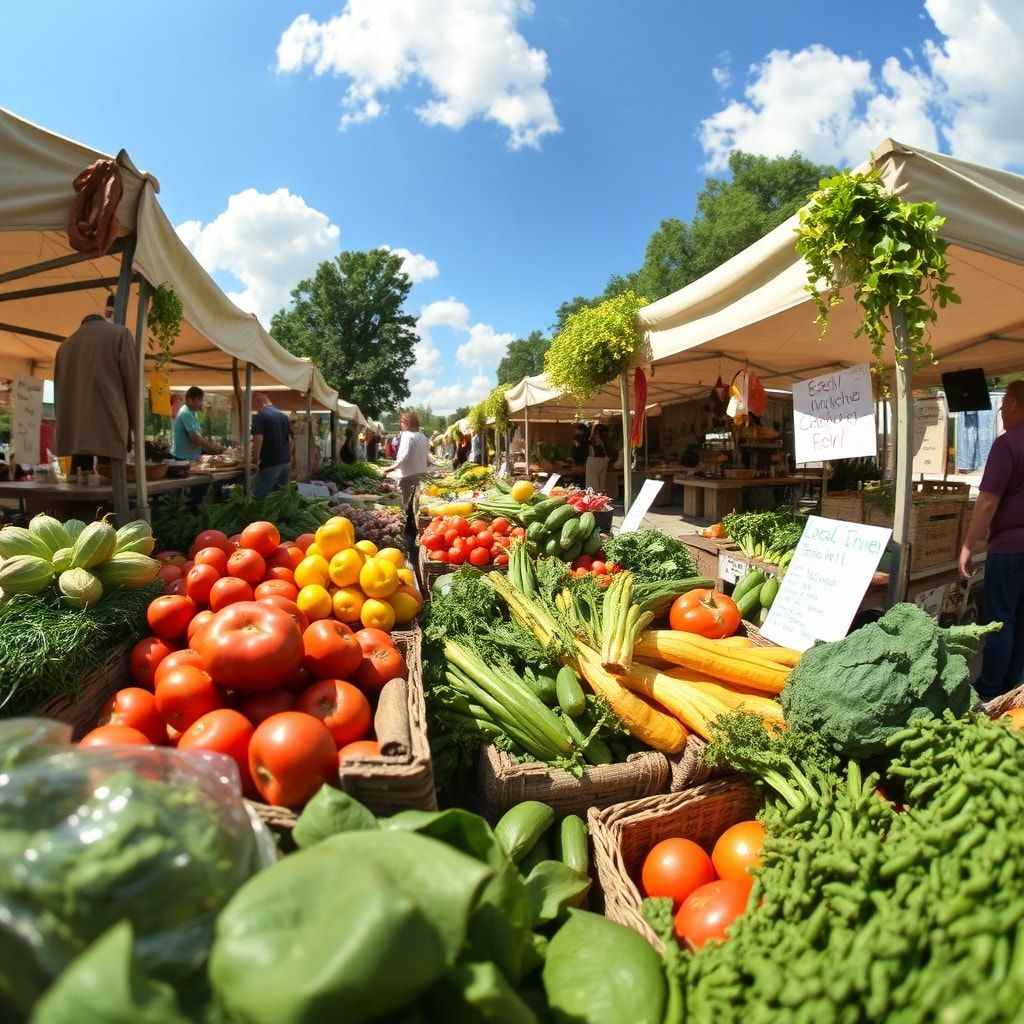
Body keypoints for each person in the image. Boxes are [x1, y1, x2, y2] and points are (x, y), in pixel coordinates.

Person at [960, 380, 1024, 701]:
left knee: (1000, 620)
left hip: (1011, 550)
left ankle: (989, 692)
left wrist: (969, 544)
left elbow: (987, 500)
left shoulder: (1007, 443)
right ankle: (1015, 687)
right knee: (1021, 619)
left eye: (1002, 406)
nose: (1000, 414)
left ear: (1013, 404)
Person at [55, 294, 139, 477]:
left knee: (79, 487)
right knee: (113, 486)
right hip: (110, 426)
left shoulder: (64, 347)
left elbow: (59, 395)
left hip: (73, 430)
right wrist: (136, 430)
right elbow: (133, 387)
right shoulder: (120, 335)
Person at [172, 387, 224, 509]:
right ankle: (188, 507)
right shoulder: (185, 413)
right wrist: (211, 447)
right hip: (183, 457)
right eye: (199, 400)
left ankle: (189, 506)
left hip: (190, 456)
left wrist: (211, 446)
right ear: (190, 399)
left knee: (200, 483)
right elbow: (195, 438)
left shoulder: (192, 413)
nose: (201, 403)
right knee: (200, 482)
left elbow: (198, 436)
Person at [383, 410, 431, 533]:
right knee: (417, 506)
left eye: (401, 423)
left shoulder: (407, 436)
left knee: (406, 507)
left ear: (405, 422)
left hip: (407, 476)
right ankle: (415, 530)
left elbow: (402, 458)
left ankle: (408, 534)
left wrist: (389, 469)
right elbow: (426, 458)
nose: (401, 425)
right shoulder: (422, 436)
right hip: (421, 475)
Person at [251, 392, 294, 499]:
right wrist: (289, 456)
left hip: (270, 462)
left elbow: (258, 439)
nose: (255, 409)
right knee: (279, 497)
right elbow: (291, 440)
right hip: (285, 462)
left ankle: (256, 515)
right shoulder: (284, 416)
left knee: (259, 495)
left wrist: (255, 460)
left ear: (257, 402)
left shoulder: (259, 417)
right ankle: (277, 516)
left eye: (254, 406)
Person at [586, 422, 610, 493]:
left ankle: (594, 500)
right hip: (605, 460)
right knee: (602, 483)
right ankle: (601, 497)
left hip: (593, 460)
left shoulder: (593, 438)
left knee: (593, 483)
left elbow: (591, 450)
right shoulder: (606, 438)